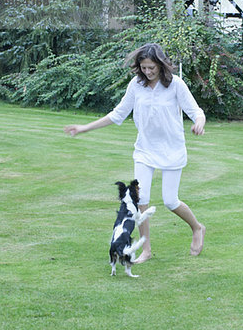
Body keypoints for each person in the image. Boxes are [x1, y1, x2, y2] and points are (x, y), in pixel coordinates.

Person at [64, 43, 206, 263]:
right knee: (142, 199)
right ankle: (146, 249)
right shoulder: (136, 85)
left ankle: (197, 228)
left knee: (170, 201)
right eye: (144, 67)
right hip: (145, 150)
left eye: (151, 67)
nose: (147, 72)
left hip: (172, 149)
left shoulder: (176, 85)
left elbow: (196, 111)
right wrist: (85, 127)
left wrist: (199, 123)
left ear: (161, 64)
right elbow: (117, 114)